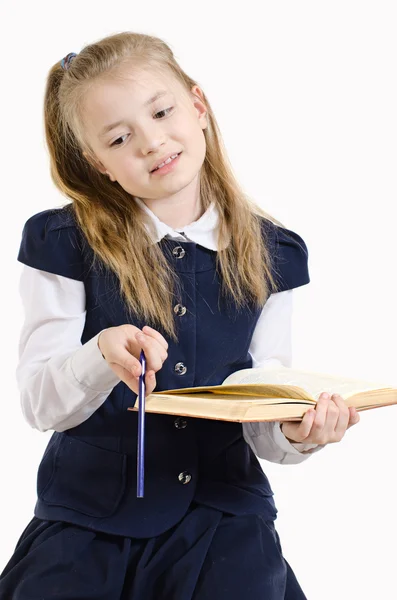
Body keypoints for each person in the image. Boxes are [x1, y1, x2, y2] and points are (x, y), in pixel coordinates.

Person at [0, 31, 360, 599]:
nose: (150, 142)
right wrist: (98, 355)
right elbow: (39, 405)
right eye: (120, 138)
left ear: (198, 107)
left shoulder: (276, 252)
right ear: (99, 164)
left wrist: (297, 430)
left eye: (162, 111)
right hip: (88, 526)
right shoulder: (60, 241)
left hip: (224, 524)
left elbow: (260, 395)